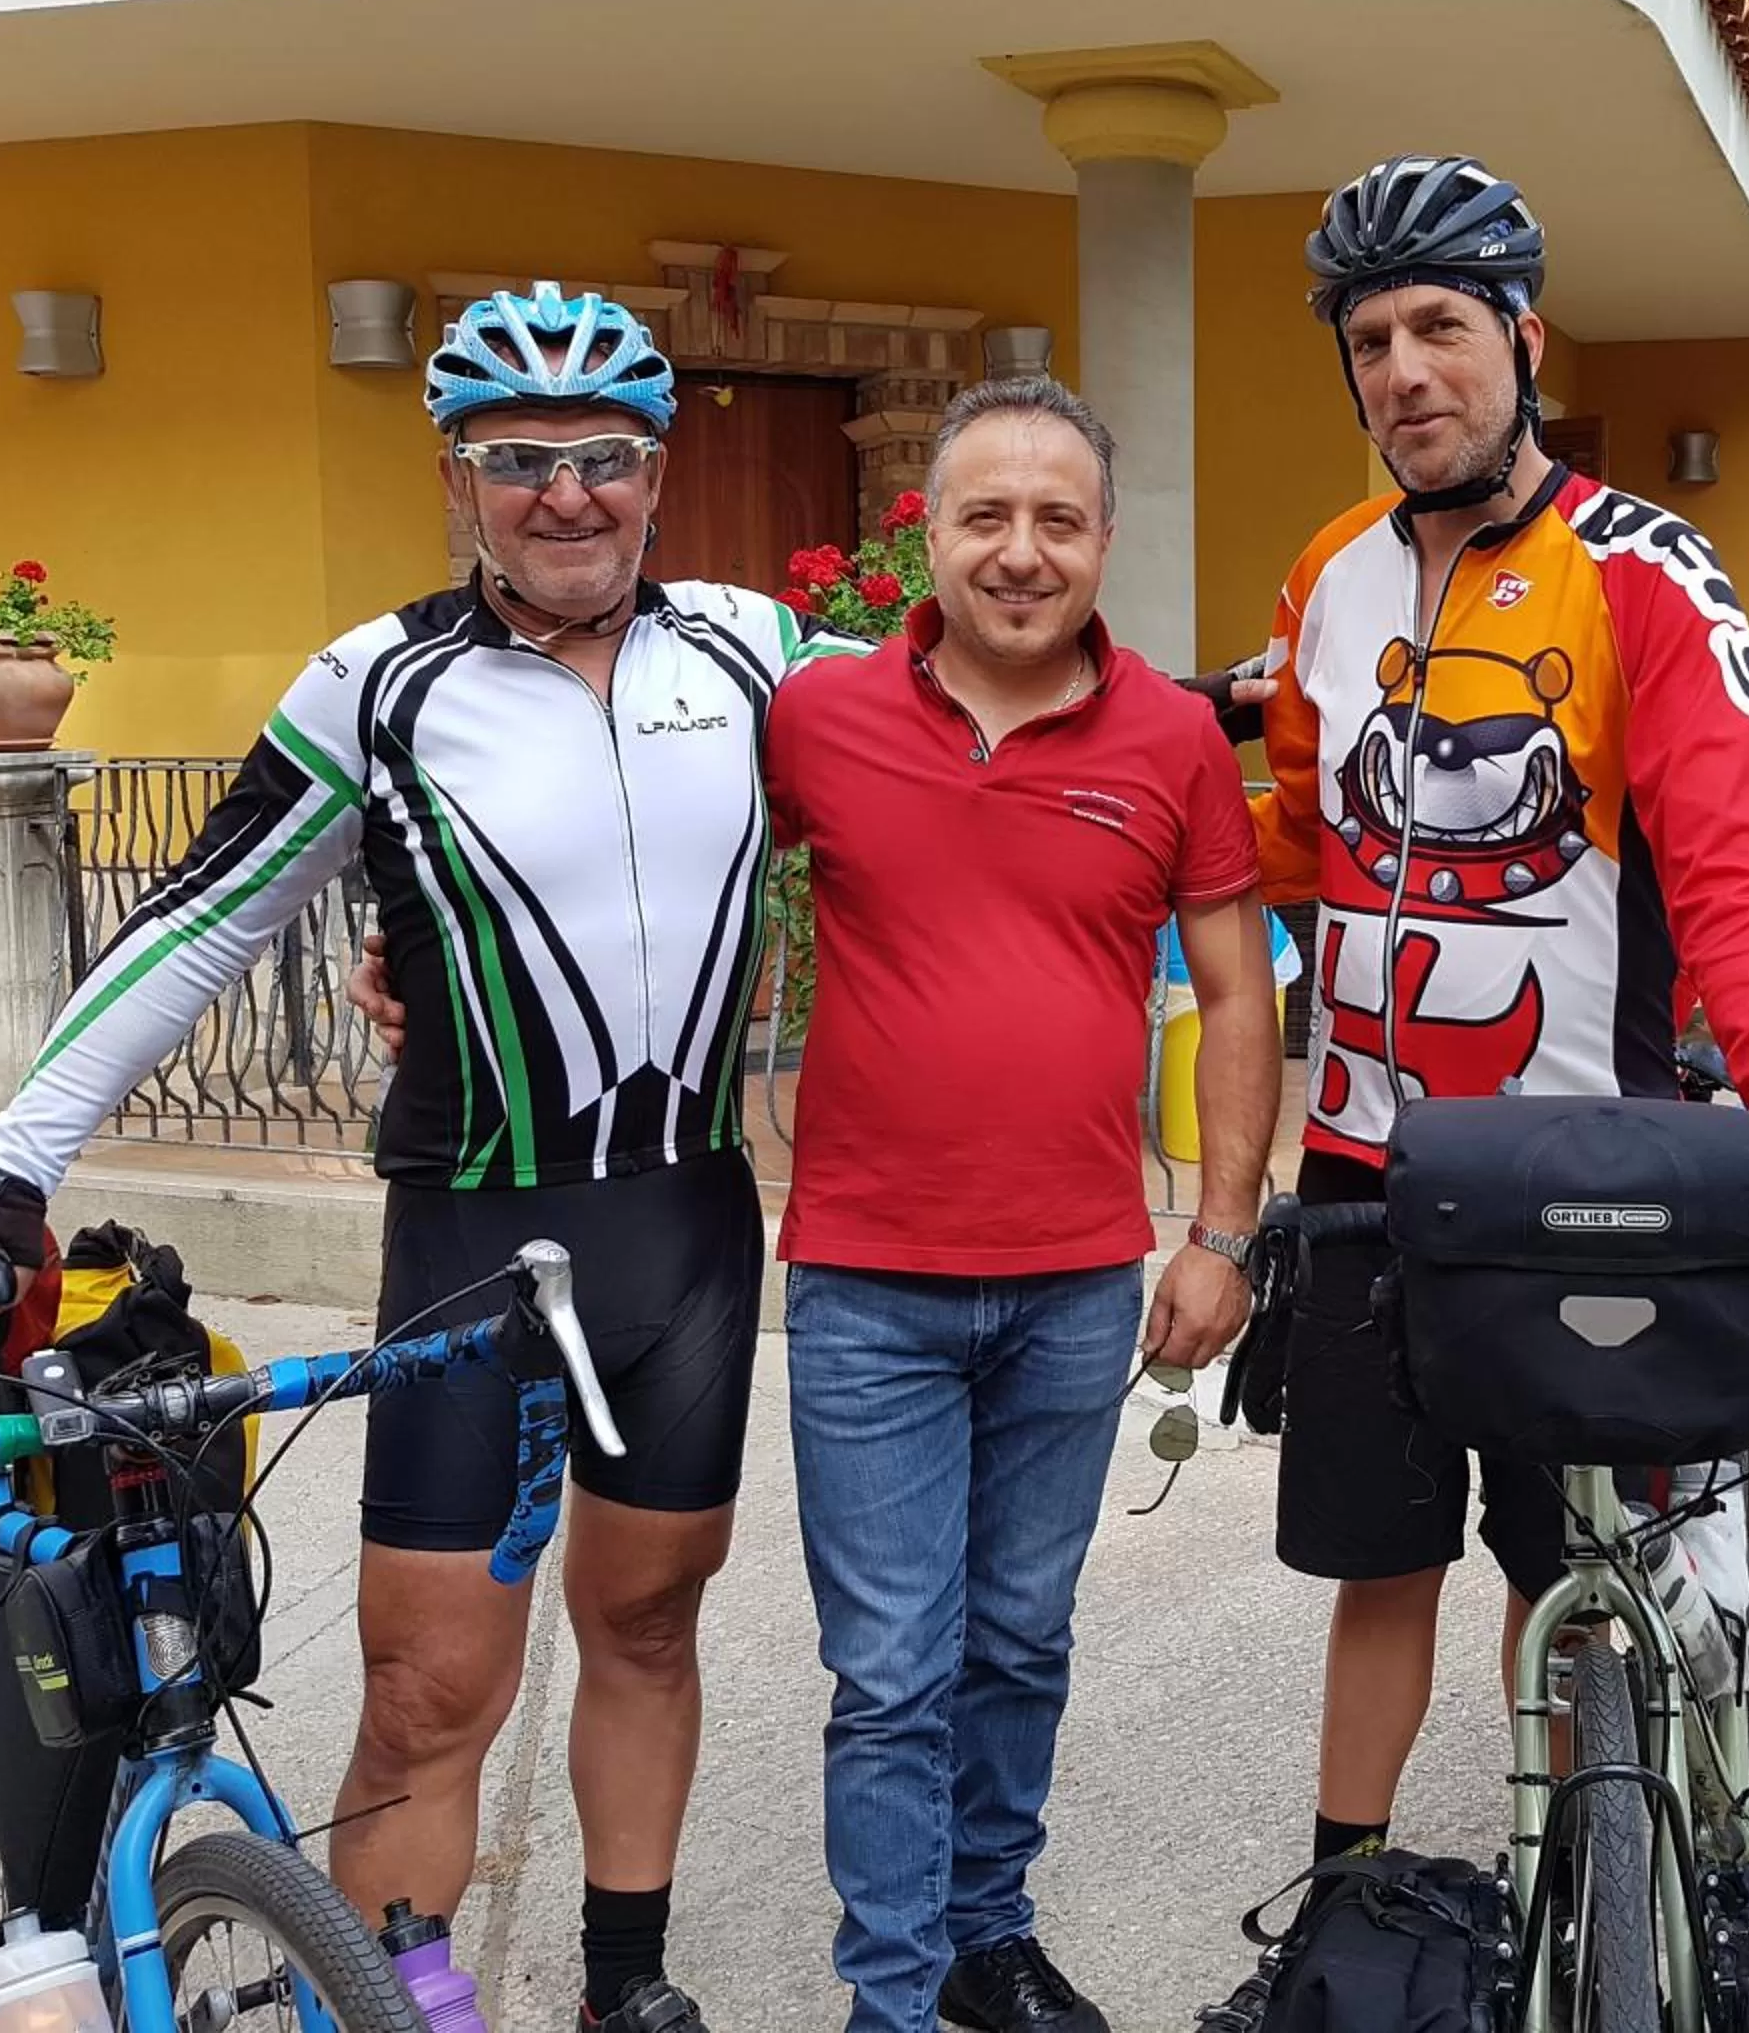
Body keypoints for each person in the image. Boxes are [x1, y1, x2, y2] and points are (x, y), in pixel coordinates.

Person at [0, 281, 855, 2033]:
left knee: (646, 1626)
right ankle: (397, 2002)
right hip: (479, 1249)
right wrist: (12, 1164)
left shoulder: (755, 648)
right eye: (521, 460)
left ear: (658, 472)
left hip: (695, 1236)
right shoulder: (377, 683)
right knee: (427, 1687)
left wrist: (1237, 719)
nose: (567, 494)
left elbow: (987, 744)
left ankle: (625, 1980)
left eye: (605, 458)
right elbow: (198, 924)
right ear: (457, 474)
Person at [350, 375, 1281, 2033]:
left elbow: (1234, 982)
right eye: (984, 516)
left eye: (1055, 519)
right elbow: (631, 841)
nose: (1019, 551)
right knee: (895, 1668)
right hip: (865, 1280)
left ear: (1104, 541)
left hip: (1079, 1279)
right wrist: (430, 957)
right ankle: (896, 1994)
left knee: (1019, 1642)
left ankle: (989, 1932)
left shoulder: (1173, 740)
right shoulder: (821, 715)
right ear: (926, 537)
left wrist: (1220, 1230)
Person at [1217, 156, 1749, 1894]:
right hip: (1367, 1162)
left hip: (1581, 1166)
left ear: (1522, 335)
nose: (1405, 372)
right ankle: (1345, 1908)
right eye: (1370, 340)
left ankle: (1570, 1886)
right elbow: (1297, 832)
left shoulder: (1646, 572)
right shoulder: (1331, 573)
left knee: (1566, 1552)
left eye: (1440, 326)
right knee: (1379, 1560)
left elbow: (1740, 885)